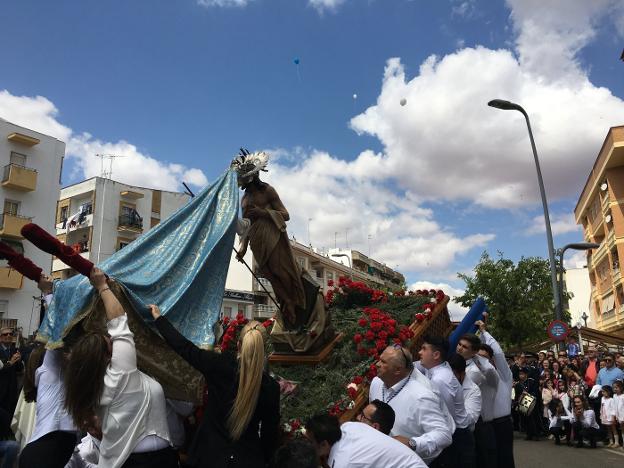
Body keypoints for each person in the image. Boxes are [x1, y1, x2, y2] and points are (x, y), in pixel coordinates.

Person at [64, 268, 175, 468]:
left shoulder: (93, 385)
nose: (116, 345)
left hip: (144, 460)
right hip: (141, 463)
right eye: (111, 344)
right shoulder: (120, 373)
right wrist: (102, 287)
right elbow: (119, 322)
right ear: (105, 356)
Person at [152, 305, 280, 467]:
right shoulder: (271, 388)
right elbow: (270, 436)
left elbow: (186, 349)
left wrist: (159, 319)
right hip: (248, 460)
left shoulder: (220, 365)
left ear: (239, 345)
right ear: (263, 350)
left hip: (208, 456)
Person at [368, 345, 452, 464]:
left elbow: (444, 435)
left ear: (397, 370)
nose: (377, 364)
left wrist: (412, 443)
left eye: (383, 362)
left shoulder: (422, 396)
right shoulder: (376, 382)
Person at [415, 335, 472, 468]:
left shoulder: (440, 379)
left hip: (456, 436)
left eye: (424, 349)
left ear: (436, 355)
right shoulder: (437, 369)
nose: (419, 352)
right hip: (453, 434)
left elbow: (447, 418)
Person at [305, 414, 427, 468]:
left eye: (311, 441)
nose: (308, 445)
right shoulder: (351, 426)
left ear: (324, 443)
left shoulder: (343, 463)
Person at [476, 318, 515, 468]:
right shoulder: (475, 376)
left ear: (491, 360)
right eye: (478, 359)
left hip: (502, 425)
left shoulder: (504, 375)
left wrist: (484, 331)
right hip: (484, 426)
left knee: (504, 461)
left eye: (484, 358)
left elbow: (498, 353)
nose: (481, 362)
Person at [456, 333, 499, 468]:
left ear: (473, 353)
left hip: (473, 425)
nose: (460, 349)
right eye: (459, 344)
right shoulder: (455, 364)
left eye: (465, 347)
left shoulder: (473, 372)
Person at [448, 354, 481, 433]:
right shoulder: (444, 383)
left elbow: (470, 419)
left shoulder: (473, 390)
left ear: (462, 374)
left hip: (463, 434)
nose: (450, 379)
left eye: (453, 375)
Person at [0, 326, 23, 415]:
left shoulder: (14, 350)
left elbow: (20, 370)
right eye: (5, 334)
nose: (9, 335)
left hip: (12, 392)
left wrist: (19, 360)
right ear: (0, 337)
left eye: (11, 334)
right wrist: (11, 362)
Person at [514, 368, 540, 441]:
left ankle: (536, 434)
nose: (521, 376)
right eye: (520, 374)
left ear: (526, 374)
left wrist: (528, 394)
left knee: (533, 418)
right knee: (525, 418)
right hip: (522, 402)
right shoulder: (518, 384)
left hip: (531, 401)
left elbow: (535, 391)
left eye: (522, 374)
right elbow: (516, 395)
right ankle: (529, 434)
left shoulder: (531, 382)